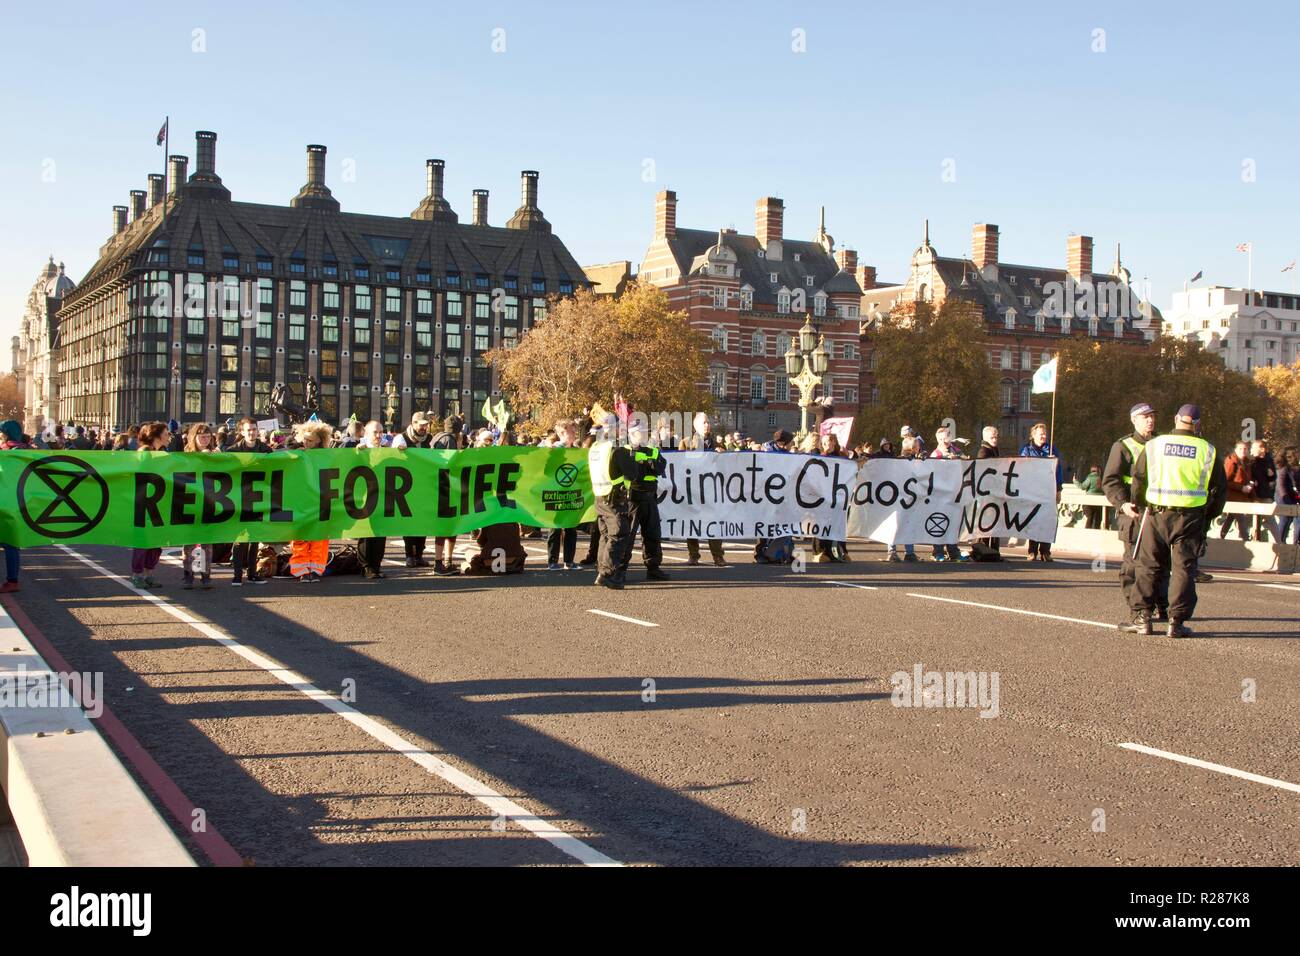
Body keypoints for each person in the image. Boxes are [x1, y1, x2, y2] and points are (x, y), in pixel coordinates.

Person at [1128, 404, 1227, 638]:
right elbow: (1219, 491)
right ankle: (1176, 622)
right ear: (1198, 424)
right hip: (1191, 517)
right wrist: (1206, 516)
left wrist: (1142, 505)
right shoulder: (1208, 451)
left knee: (1149, 566)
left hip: (1156, 514)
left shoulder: (1154, 445)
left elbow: (1139, 479)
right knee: (1183, 570)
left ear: (1175, 419)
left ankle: (1143, 618)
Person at [1101, 402, 1167, 627]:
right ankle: (1137, 609)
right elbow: (1111, 480)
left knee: (1159, 563)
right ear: (1134, 420)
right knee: (1133, 564)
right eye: (1145, 417)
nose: (1150, 420)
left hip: (1157, 513)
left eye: (1152, 416)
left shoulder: (1162, 444)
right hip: (1133, 512)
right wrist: (1123, 504)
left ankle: (1160, 605)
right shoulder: (1123, 446)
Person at [589, 414, 637, 590]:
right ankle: (608, 574)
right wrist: (632, 455)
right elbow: (632, 473)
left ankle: (601, 571)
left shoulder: (596, 446)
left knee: (606, 535)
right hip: (613, 497)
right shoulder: (617, 449)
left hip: (599, 497)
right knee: (619, 534)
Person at [227, 417, 273, 586]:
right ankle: (237, 575)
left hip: (259, 498)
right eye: (249, 430)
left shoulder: (266, 450)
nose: (252, 432)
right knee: (240, 538)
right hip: (239, 499)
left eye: (254, 429)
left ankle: (252, 573)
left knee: (255, 537)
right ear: (242, 432)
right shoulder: (233, 451)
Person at [287, 420, 334, 582]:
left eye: (310, 441)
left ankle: (316, 569)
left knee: (319, 537)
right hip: (301, 500)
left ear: (319, 441)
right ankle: (301, 570)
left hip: (320, 500)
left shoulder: (327, 456)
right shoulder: (297, 452)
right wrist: (294, 454)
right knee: (300, 536)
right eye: (304, 440)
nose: (305, 443)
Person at [129, 422, 171, 589]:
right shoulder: (145, 452)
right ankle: (137, 574)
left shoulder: (160, 453)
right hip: (144, 502)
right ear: (157, 435)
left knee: (155, 540)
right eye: (166, 433)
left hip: (157, 501)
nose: (169, 436)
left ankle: (148, 573)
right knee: (142, 540)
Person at [391, 411, 434, 567]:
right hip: (406, 487)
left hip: (423, 486)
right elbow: (392, 460)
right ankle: (410, 555)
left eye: (425, 425)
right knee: (409, 522)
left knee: (422, 522)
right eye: (421, 425)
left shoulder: (429, 440)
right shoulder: (401, 438)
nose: (423, 428)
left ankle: (419, 555)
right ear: (413, 423)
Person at [628, 419, 669, 580]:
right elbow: (633, 471)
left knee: (653, 535)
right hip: (634, 498)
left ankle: (653, 568)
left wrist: (646, 461)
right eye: (641, 431)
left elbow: (659, 468)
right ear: (632, 434)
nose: (644, 433)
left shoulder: (651, 449)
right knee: (628, 535)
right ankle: (621, 569)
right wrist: (647, 462)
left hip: (650, 498)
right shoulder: (625, 450)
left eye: (645, 430)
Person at [180, 424, 218, 590]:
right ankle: (188, 574)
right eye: (202, 436)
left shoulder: (215, 454)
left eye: (208, 437)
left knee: (206, 542)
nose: (205, 440)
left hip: (209, 501)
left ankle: (205, 574)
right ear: (194, 437)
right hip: (190, 502)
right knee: (188, 541)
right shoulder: (186, 456)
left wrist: (217, 458)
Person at [685, 417, 726, 566]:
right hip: (693, 488)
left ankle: (717, 555)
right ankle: (693, 555)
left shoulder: (717, 443)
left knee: (713, 522)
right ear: (696, 426)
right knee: (692, 523)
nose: (707, 425)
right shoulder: (687, 442)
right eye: (704, 422)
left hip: (712, 489)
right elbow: (680, 464)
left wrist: (722, 454)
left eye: (708, 422)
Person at [1019, 422, 1063, 561]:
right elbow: (1022, 467)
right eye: (1040, 434)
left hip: (1048, 490)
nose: (1043, 436)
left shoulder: (1052, 450)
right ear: (1033, 435)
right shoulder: (1026, 450)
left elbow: (1058, 470)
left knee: (1047, 520)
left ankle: (1045, 551)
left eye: (1045, 434)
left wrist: (1058, 489)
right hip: (1033, 490)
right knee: (1033, 520)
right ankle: (1032, 550)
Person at [354, 420, 388, 580]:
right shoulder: (359, 449)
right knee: (366, 533)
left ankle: (376, 565)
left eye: (381, 432)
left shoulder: (387, 450)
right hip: (365, 498)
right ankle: (366, 566)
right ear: (366, 434)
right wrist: (356, 452)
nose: (379, 435)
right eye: (375, 432)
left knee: (381, 532)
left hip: (382, 497)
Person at [1, 420, 32, 592]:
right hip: (11, 502)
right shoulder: (23, 450)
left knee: (10, 542)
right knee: (10, 543)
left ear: (7, 434)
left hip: (10, 503)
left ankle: (12, 581)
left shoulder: (14, 452)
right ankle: (12, 580)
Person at [546, 419, 582, 570]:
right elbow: (547, 471)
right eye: (571, 431)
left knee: (571, 528)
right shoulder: (553, 451)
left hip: (571, 494)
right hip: (557, 493)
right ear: (561, 433)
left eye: (575, 431)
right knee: (555, 527)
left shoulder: (576, 451)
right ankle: (553, 561)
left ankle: (569, 560)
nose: (574, 433)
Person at [928, 427, 968, 563]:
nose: (944, 441)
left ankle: (953, 550)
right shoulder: (936, 454)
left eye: (945, 438)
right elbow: (931, 471)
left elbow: (966, 460)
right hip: (940, 493)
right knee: (939, 520)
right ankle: (937, 551)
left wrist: (957, 458)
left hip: (954, 492)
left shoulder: (956, 450)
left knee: (953, 521)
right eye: (941, 439)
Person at [1219, 441, 1254, 541]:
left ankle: (1221, 537)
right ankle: (1246, 540)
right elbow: (1225, 481)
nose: (1243, 451)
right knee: (1241, 519)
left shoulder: (1247, 462)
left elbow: (1247, 478)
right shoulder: (1231, 462)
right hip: (1232, 496)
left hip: (1242, 497)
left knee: (1231, 517)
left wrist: (1251, 483)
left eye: (1245, 449)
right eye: (1240, 449)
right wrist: (1241, 488)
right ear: (1235, 450)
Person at [1275, 446, 1299, 546]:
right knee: (1284, 521)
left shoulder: (1294, 469)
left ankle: (1291, 542)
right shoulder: (1283, 470)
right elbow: (1281, 486)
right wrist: (1286, 500)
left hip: (1293, 498)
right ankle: (1280, 542)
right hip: (1284, 500)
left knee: (1293, 521)